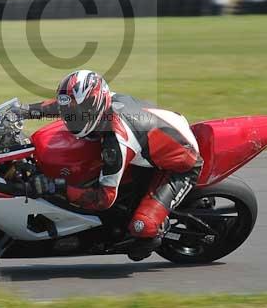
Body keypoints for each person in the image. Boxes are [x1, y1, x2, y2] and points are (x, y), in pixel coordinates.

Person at [17, 69, 203, 261]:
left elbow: (104, 199)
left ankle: (156, 232)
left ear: (95, 105)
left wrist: (57, 187)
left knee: (142, 228)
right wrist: (23, 111)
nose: (73, 118)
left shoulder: (116, 141)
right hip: (154, 140)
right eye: (71, 112)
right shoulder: (97, 105)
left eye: (79, 113)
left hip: (181, 164)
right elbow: (60, 105)